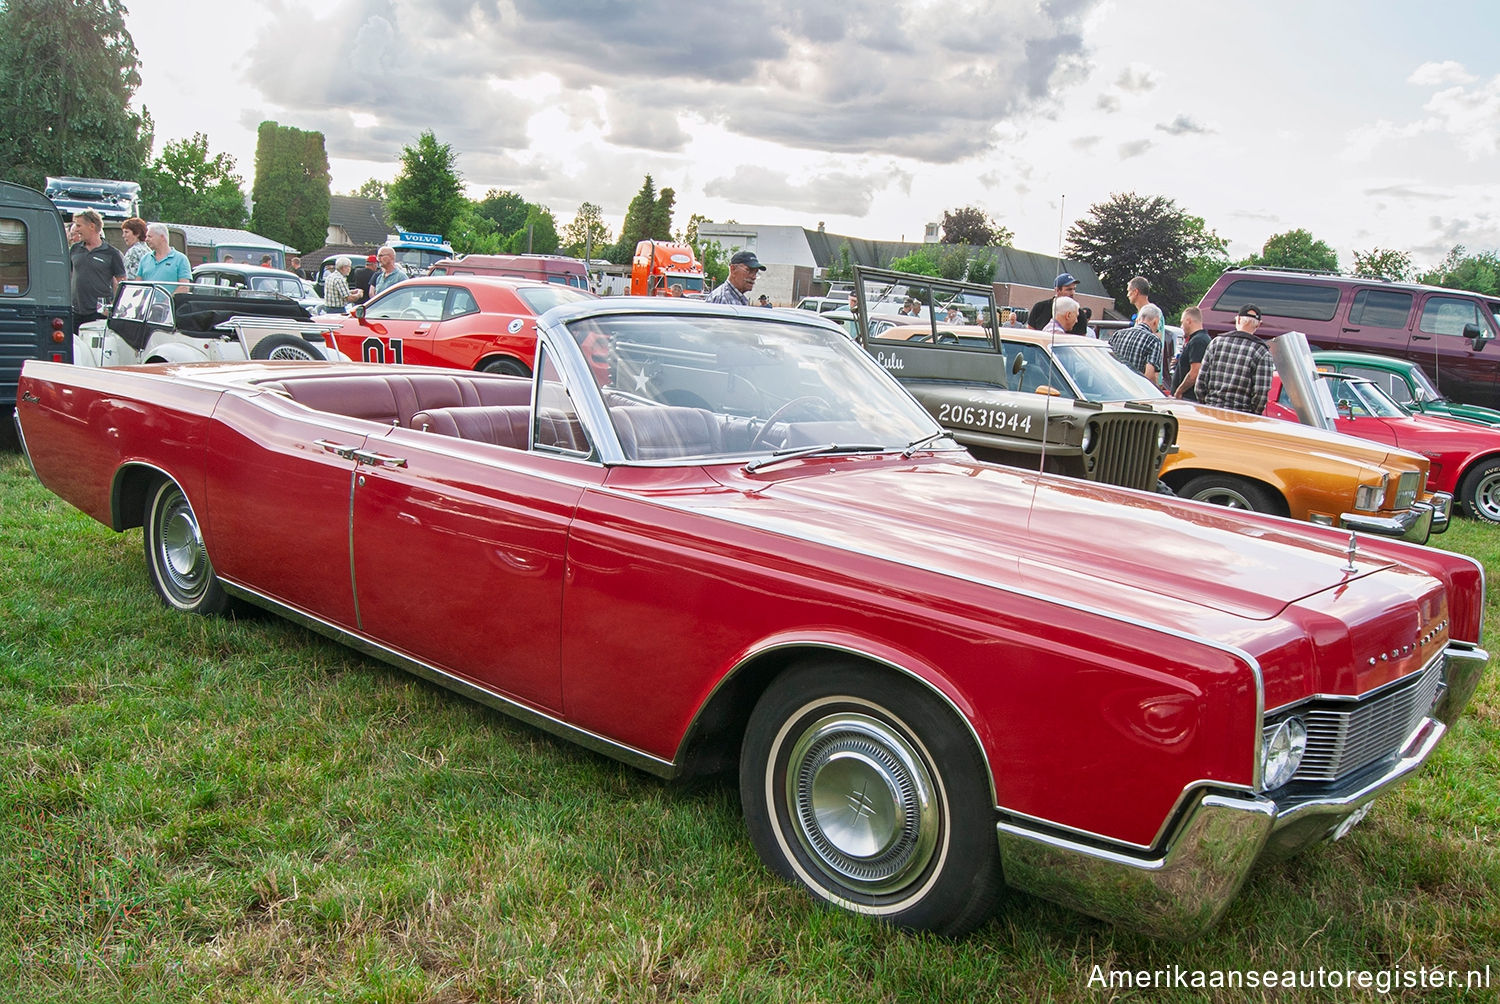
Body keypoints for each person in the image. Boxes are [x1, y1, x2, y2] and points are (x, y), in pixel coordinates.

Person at [1195, 305, 1275, 414]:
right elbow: (1261, 393)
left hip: (1211, 412)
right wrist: (1252, 414)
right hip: (1241, 418)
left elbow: (1200, 384)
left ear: (1238, 319)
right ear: (1259, 324)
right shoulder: (1262, 352)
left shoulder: (1216, 343)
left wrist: (1206, 405)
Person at [68, 209, 125, 327]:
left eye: (79, 225)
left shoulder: (111, 253)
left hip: (98, 314)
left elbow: (122, 283)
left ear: (92, 226)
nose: (76, 229)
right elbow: (67, 275)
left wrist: (113, 307)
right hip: (75, 312)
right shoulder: (74, 249)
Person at [1106, 303, 1164, 384]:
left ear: (1138, 319)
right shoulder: (1154, 341)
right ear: (1155, 322)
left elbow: (1106, 362)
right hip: (1135, 391)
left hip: (1113, 386)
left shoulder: (1118, 334)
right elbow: (1149, 375)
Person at [135, 222, 193, 289]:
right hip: (148, 299)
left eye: (149, 236)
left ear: (162, 237)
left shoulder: (181, 259)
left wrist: (167, 299)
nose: (146, 239)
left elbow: (184, 287)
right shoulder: (145, 259)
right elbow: (137, 286)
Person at [1173, 306, 1212, 400]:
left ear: (1189, 321)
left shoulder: (1198, 341)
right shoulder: (1200, 339)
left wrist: (1179, 391)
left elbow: (1195, 372)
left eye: (1182, 322)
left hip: (1188, 398)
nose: (1181, 326)